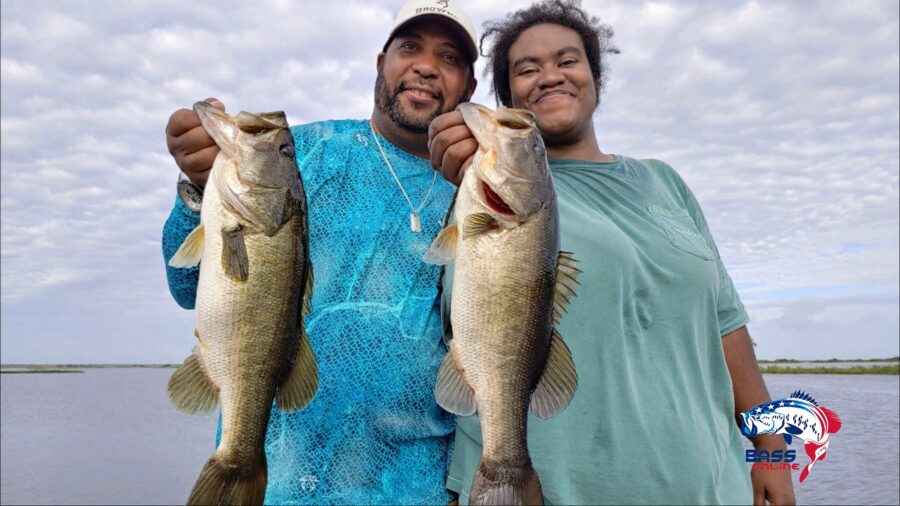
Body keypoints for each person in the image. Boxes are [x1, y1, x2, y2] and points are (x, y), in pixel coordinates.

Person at [427, 1, 797, 504]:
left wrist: (769, 449)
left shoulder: (666, 183)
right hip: (558, 491)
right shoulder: (489, 191)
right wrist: (468, 168)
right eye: (527, 69)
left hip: (713, 485)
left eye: (567, 60)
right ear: (509, 96)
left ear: (594, 76)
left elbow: (726, 326)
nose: (550, 76)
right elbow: (473, 310)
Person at [162, 1, 478, 503]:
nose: (425, 66)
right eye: (410, 48)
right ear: (381, 64)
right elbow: (186, 287)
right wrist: (199, 189)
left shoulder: (481, 190)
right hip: (276, 483)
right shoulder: (301, 153)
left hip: (418, 488)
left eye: (450, 57)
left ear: (469, 89)